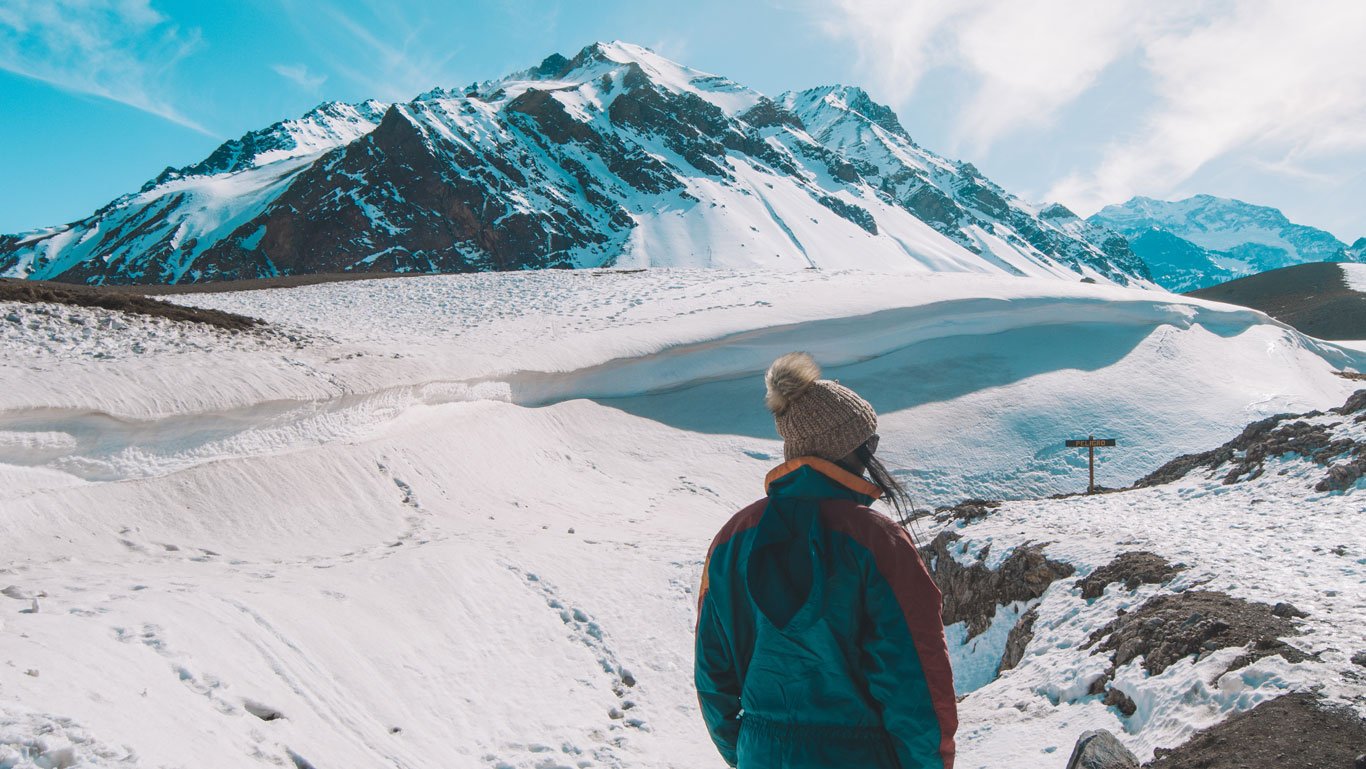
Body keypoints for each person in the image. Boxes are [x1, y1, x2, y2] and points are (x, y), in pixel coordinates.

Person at [694, 352, 957, 768]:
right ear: (847, 448)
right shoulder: (878, 542)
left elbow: (713, 676)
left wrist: (749, 750)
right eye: (868, 442)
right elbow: (916, 682)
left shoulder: (731, 540)